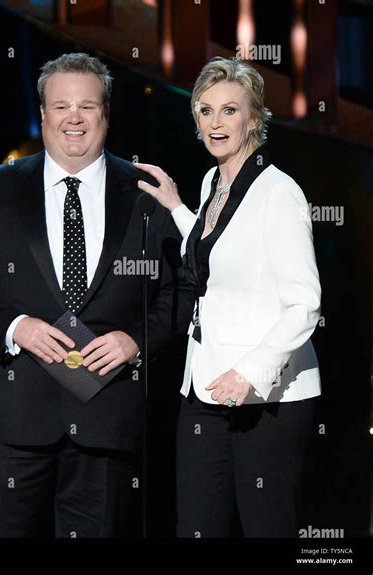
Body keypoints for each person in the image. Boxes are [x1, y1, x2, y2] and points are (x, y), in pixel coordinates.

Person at [0, 52, 193, 538]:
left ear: (107, 113)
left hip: (108, 423)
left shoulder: (147, 191)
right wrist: (18, 327)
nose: (73, 118)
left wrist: (136, 341)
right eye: (61, 107)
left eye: (87, 106)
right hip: (12, 424)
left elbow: (181, 291)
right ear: (42, 114)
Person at [136, 56, 322, 537]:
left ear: (254, 119)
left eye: (229, 111)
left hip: (267, 395)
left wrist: (251, 373)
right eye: (205, 110)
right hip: (205, 384)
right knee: (196, 524)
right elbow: (213, 256)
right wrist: (179, 207)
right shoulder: (212, 183)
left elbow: (305, 301)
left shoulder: (278, 192)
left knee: (266, 526)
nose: (215, 123)